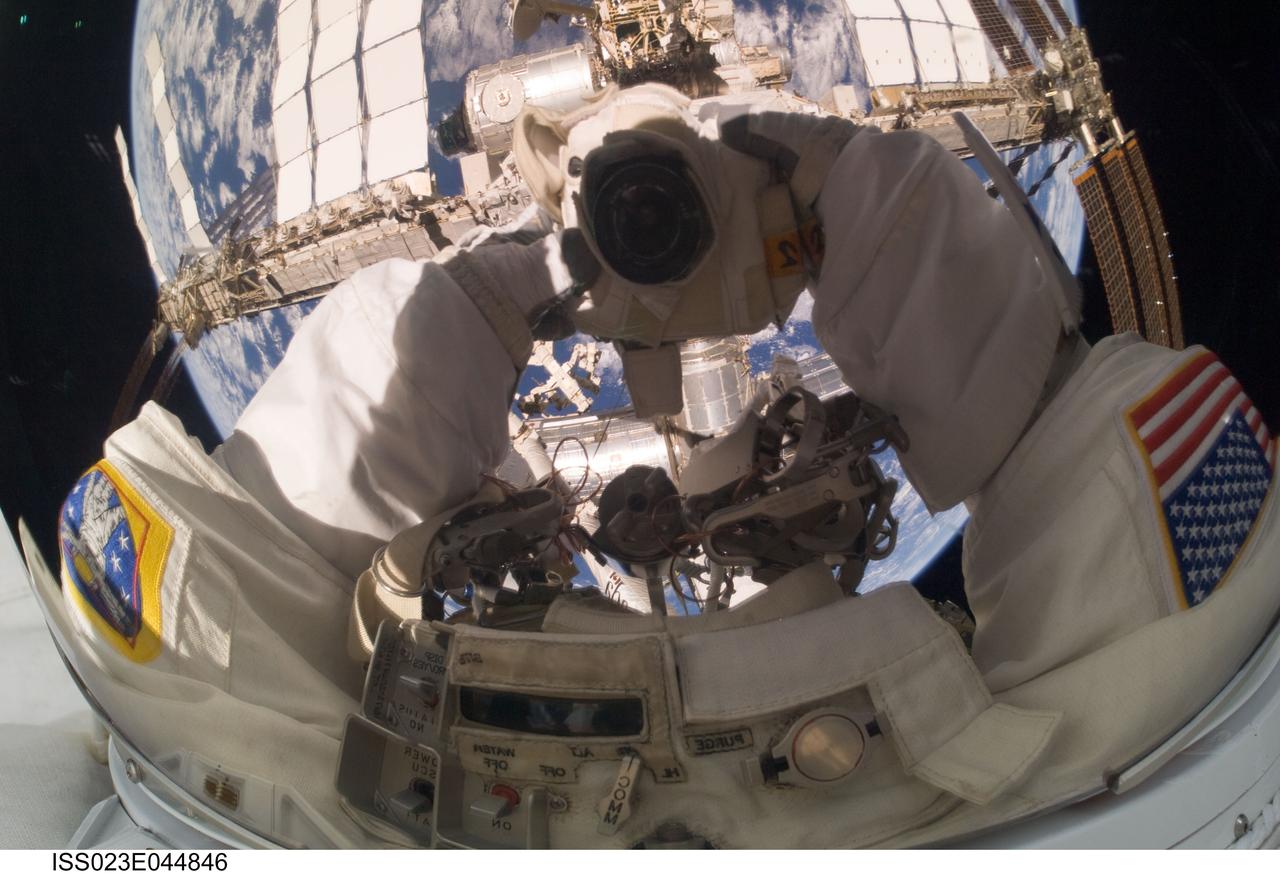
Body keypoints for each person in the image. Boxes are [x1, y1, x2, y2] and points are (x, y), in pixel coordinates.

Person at [45, 107, 1280, 847]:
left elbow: (206, 638)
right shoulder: (1146, 745)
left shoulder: (198, 823)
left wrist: (484, 299)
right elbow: (1081, 478)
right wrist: (867, 208)